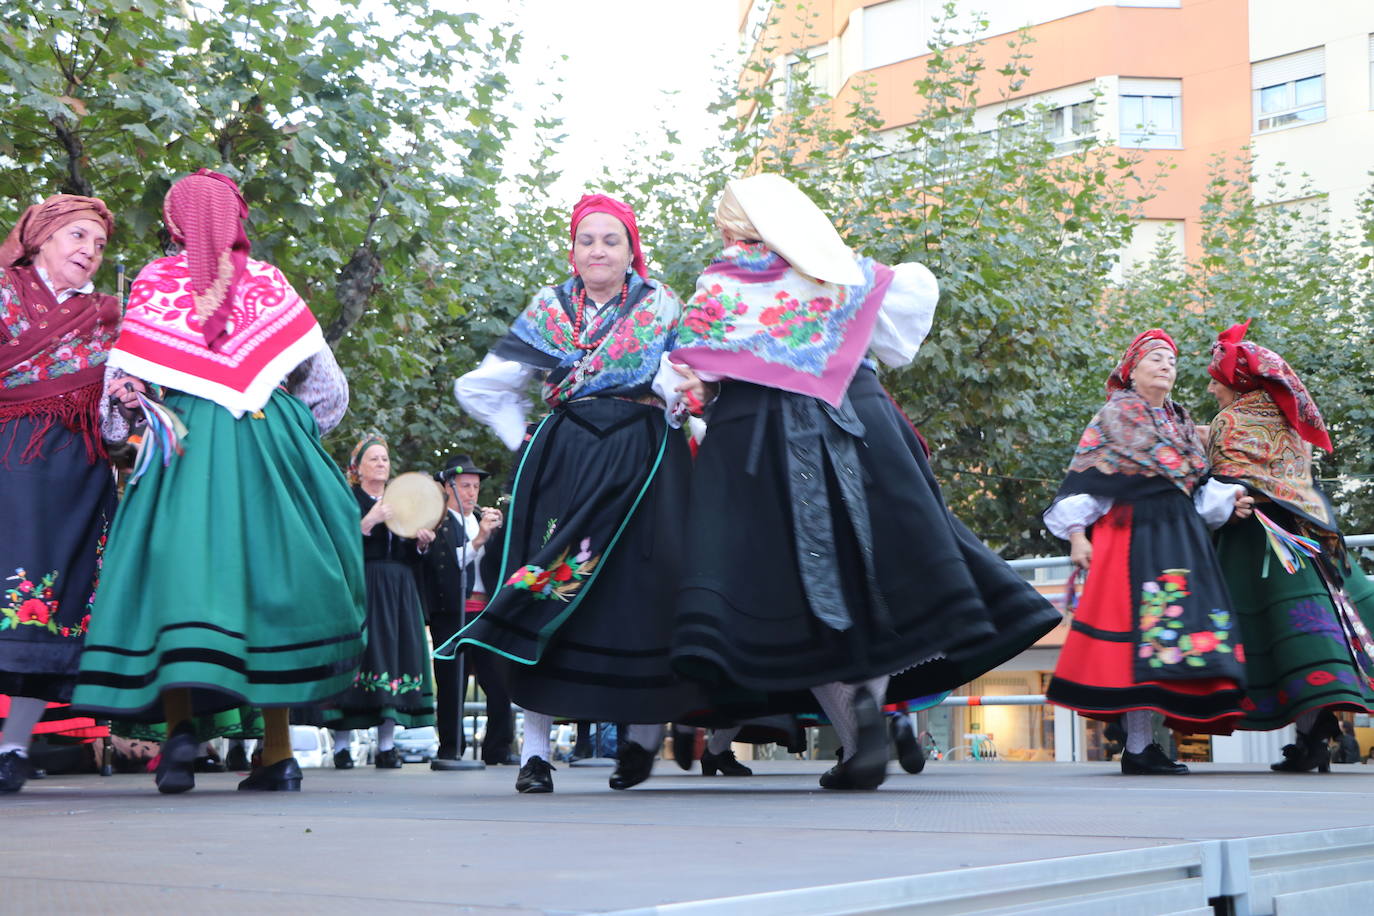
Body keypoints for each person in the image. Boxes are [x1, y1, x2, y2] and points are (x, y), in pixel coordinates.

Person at [668, 173, 1063, 790]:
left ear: (732, 224)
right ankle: (870, 717)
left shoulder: (722, 283)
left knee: (790, 597)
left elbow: (697, 376)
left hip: (756, 434)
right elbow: (899, 336)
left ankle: (857, 735)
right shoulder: (840, 269)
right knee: (877, 579)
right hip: (858, 420)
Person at [72, 169, 367, 794]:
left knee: (176, 580)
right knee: (272, 583)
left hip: (182, 441)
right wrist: (288, 437)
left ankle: (180, 736)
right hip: (271, 437)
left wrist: (130, 436)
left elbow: (119, 396)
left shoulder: (155, 281)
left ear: (176, 222)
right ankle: (279, 754)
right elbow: (329, 391)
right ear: (237, 219)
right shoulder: (270, 283)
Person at [449, 193, 706, 793]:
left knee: (643, 588)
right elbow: (488, 384)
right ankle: (534, 754)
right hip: (564, 454)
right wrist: (526, 442)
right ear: (573, 249)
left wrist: (678, 411)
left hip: (645, 455)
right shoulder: (549, 307)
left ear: (630, 248)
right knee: (540, 580)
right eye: (586, 239)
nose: (598, 250)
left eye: (610, 240)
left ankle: (636, 740)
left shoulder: (662, 304)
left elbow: (691, 377)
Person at [1044, 328, 1252, 775]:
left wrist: (1228, 502)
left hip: (1182, 537)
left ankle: (1145, 746)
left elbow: (1196, 489)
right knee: (1141, 640)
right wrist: (1078, 535)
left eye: (1172, 360)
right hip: (1133, 535)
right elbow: (1090, 483)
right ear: (1132, 370)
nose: (1165, 365)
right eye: (1155, 358)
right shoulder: (1115, 416)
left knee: (1173, 641)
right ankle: (1139, 748)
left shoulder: (1180, 422)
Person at [1203, 320, 1374, 772]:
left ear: (1236, 381)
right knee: (1311, 635)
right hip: (1309, 536)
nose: (1211, 387)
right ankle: (1313, 736)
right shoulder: (1289, 422)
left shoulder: (1230, 421)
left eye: (1215, 379)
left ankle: (1312, 737)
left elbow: (1221, 483)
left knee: (1268, 636)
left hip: (1258, 541)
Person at [0, 194, 121, 793]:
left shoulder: (111, 314)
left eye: (98, 245)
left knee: (53, 611)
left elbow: (129, 392)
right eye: (77, 236)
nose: (89, 252)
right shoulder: (2, 291)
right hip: (7, 458)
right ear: (41, 236)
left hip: (79, 471)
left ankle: (13, 748)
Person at [323, 434, 437, 768]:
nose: (381, 464)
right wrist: (369, 521)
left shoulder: (400, 499)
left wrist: (420, 544)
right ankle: (341, 747)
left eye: (385, 459)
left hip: (398, 587)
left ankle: (386, 746)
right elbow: (338, 543)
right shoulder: (348, 498)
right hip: (362, 583)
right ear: (357, 468)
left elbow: (412, 555)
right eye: (373, 459)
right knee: (358, 658)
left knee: (395, 657)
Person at [418, 454, 515, 767]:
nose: (472, 493)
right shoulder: (437, 522)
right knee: (451, 682)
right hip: (452, 611)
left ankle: (498, 747)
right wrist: (480, 539)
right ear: (448, 487)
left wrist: (497, 533)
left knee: (499, 682)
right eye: (465, 486)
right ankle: (450, 748)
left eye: (474, 486)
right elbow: (443, 567)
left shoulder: (481, 520)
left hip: (485, 611)